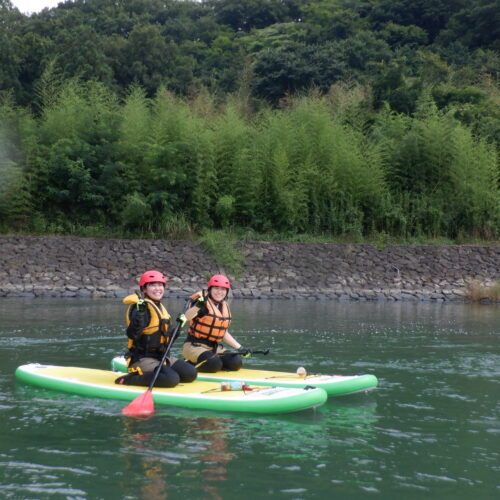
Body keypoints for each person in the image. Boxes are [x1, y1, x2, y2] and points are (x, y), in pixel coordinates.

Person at [115, 270, 197, 387]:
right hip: (142, 359)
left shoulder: (160, 308)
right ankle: (128, 379)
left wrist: (179, 327)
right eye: (152, 285)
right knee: (171, 379)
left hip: (161, 357)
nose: (157, 288)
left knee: (190, 373)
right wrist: (140, 314)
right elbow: (133, 334)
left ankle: (161, 374)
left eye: (160, 285)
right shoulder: (139, 308)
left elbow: (168, 341)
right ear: (144, 289)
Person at [181, 274, 249, 373]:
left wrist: (240, 348)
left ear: (226, 292)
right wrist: (198, 306)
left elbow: (223, 332)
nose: (219, 292)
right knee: (214, 364)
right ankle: (188, 364)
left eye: (223, 289)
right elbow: (187, 317)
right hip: (193, 346)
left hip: (213, 347)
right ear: (210, 289)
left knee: (235, 362)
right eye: (216, 288)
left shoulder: (223, 305)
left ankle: (213, 362)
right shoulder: (201, 301)